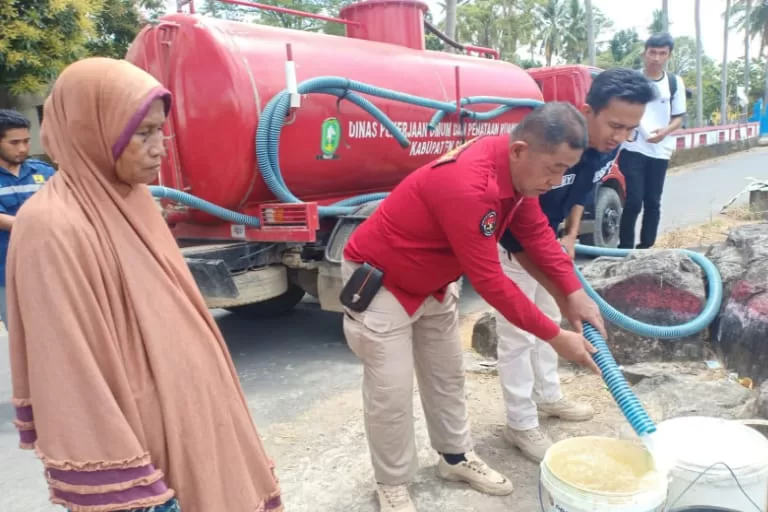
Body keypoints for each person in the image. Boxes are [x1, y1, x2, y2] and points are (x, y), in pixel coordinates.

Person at [7, 57, 282, 512]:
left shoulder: (132, 201)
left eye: (161, 132)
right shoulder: (52, 225)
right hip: (147, 445)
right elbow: (70, 373)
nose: (160, 149)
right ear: (90, 130)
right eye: (143, 133)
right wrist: (134, 488)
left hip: (194, 422)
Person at [340, 102, 606, 512]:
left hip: (433, 282)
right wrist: (555, 337)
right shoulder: (471, 185)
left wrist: (574, 291)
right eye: (552, 168)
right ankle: (392, 482)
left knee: (447, 377)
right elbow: (490, 281)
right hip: (383, 283)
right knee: (391, 392)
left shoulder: (517, 177)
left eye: (564, 169)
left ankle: (455, 457)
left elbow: (535, 234)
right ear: (519, 150)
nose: (556, 182)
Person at [496, 68, 656, 463]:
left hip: (547, 239)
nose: (621, 136)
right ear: (588, 111)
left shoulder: (606, 145)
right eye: (615, 125)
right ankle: (520, 423)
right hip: (511, 241)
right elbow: (519, 212)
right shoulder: (557, 141)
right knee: (519, 335)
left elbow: (585, 189)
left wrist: (569, 235)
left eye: (631, 129)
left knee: (551, 320)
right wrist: (555, 274)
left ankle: (548, 397)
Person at [618, 33, 687, 249]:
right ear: (644, 52)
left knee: (653, 202)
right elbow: (620, 109)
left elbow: (678, 117)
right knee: (633, 201)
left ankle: (647, 247)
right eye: (652, 52)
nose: (656, 58)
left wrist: (665, 131)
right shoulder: (632, 80)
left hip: (659, 150)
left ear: (669, 55)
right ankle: (625, 248)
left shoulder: (674, 83)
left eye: (662, 53)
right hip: (633, 147)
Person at [0, 109, 55, 326]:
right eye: (14, 143)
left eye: (26, 141)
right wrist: (33, 224)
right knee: (20, 333)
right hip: (6, 275)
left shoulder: (44, 172)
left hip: (49, 269)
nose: (22, 148)